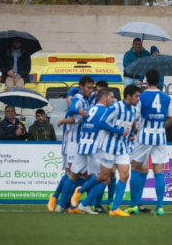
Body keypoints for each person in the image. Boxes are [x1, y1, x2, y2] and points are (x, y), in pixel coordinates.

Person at [71, 85, 141, 217]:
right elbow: (102, 123)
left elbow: (128, 125)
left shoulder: (133, 110)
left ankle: (114, 208)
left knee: (125, 175)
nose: (138, 99)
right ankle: (81, 192)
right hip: (108, 146)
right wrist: (119, 131)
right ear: (128, 96)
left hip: (122, 147)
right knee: (103, 177)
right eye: (136, 96)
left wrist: (131, 133)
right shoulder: (115, 107)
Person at [126, 69, 172, 216]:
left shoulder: (141, 97)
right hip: (160, 136)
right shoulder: (166, 97)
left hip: (144, 136)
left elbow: (134, 118)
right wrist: (161, 128)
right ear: (159, 80)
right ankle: (159, 207)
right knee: (158, 172)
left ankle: (134, 205)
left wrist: (134, 131)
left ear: (146, 80)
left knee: (135, 168)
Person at [54, 75, 94, 214]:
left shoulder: (87, 99)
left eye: (91, 87)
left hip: (82, 143)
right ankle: (62, 204)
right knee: (73, 174)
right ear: (81, 87)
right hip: (74, 143)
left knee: (82, 175)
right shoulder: (78, 99)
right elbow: (71, 111)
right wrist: (78, 111)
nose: (90, 90)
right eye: (88, 87)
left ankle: (67, 203)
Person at [73, 88, 115, 214]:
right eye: (111, 97)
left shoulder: (89, 109)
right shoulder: (106, 111)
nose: (112, 100)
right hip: (97, 148)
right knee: (105, 178)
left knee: (91, 177)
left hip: (84, 145)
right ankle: (86, 202)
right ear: (104, 98)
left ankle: (82, 203)